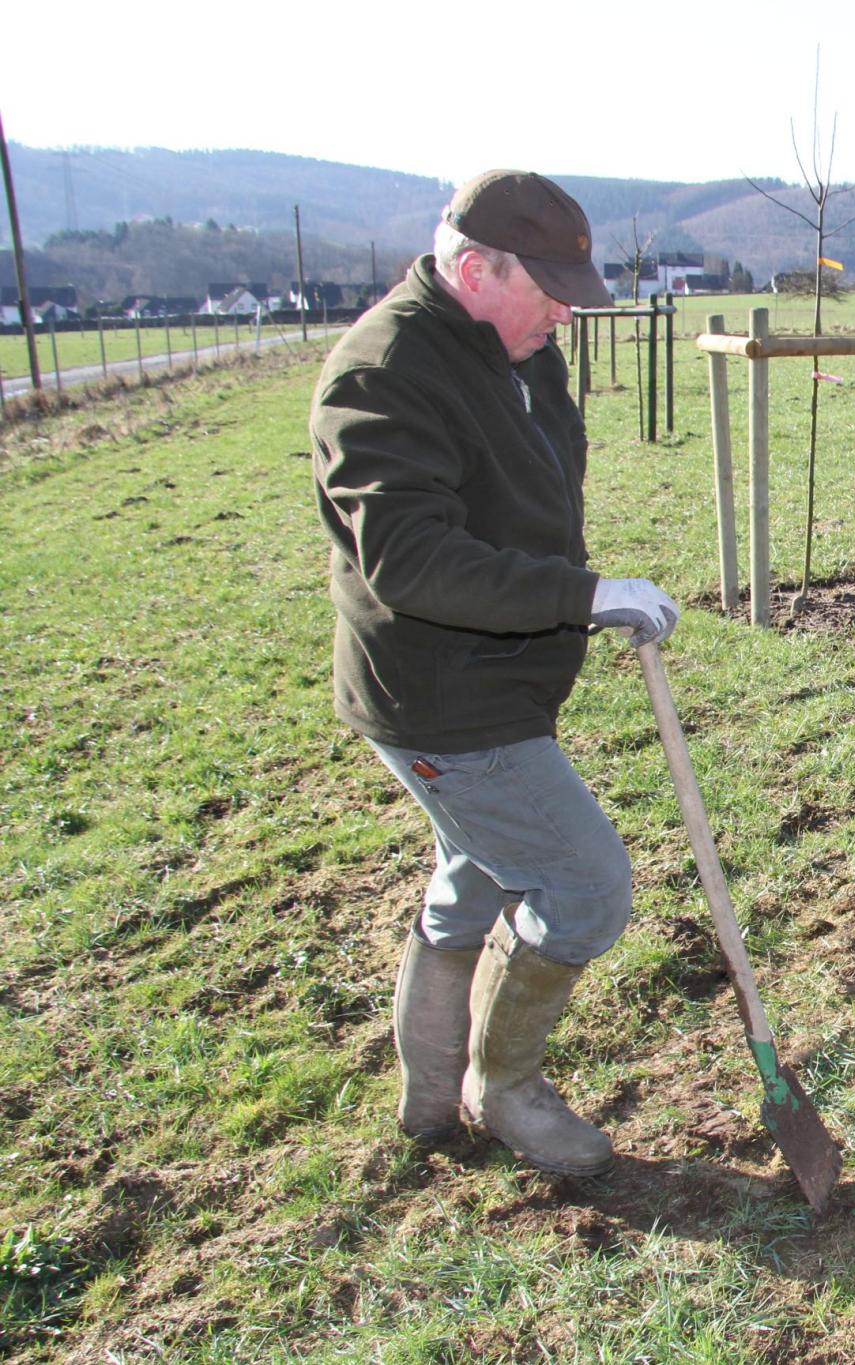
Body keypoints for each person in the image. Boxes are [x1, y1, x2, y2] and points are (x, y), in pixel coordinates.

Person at [310, 170, 680, 1175]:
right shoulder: (381, 374)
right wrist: (580, 593)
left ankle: (429, 1097)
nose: (565, 312)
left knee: (474, 875)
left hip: (502, 676)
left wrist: (567, 593)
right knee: (584, 883)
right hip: (445, 699)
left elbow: (540, 473)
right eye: (549, 291)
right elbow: (413, 558)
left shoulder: (520, 347)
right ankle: (502, 1087)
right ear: (475, 268)